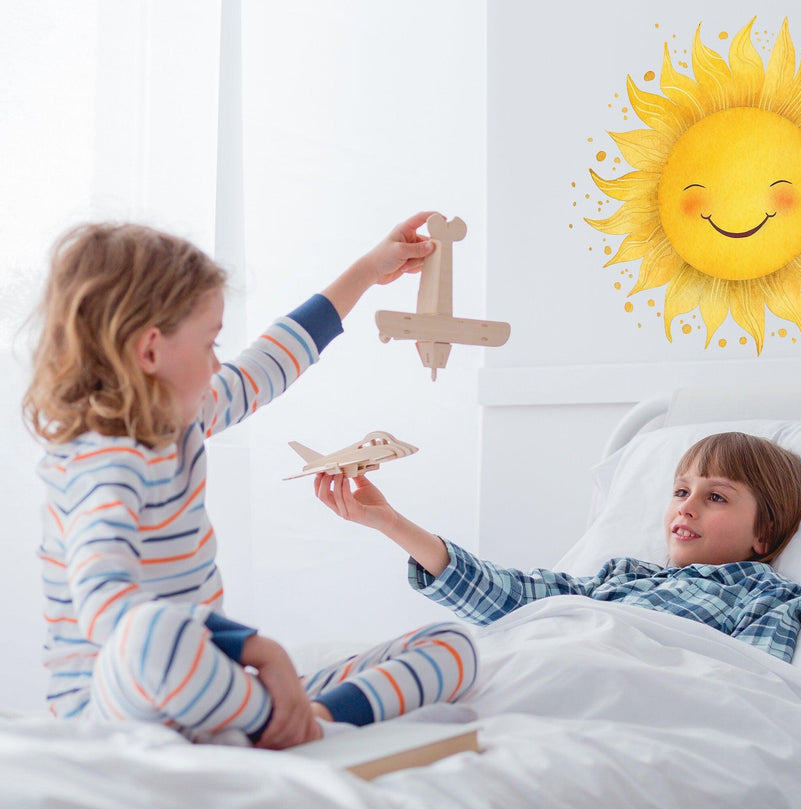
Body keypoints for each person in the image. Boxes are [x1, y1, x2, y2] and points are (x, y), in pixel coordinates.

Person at [23, 218, 478, 749]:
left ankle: (299, 719)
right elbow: (107, 606)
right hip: (115, 702)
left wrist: (366, 272)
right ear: (151, 352)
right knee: (150, 638)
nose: (220, 361)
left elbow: (268, 365)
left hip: (207, 687)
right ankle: (286, 722)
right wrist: (255, 650)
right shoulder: (103, 464)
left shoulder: (182, 418)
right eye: (210, 343)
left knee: (453, 646)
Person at [313, 431, 801, 663]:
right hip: (540, 659)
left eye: (715, 496)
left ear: (763, 535)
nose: (686, 506)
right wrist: (392, 523)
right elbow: (509, 595)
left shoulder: (764, 594)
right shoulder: (622, 576)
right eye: (680, 491)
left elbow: (760, 690)